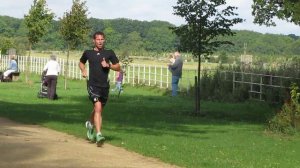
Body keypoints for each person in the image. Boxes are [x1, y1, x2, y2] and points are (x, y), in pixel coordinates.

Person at [79, 31, 120, 146]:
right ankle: (99, 134)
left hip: (104, 86)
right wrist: (83, 70)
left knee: (99, 109)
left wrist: (109, 65)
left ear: (104, 40)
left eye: (102, 39)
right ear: (94, 40)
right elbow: (81, 63)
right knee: (97, 107)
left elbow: (118, 67)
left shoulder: (109, 53)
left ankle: (90, 124)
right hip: (93, 84)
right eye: (98, 39)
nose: (100, 41)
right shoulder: (88, 53)